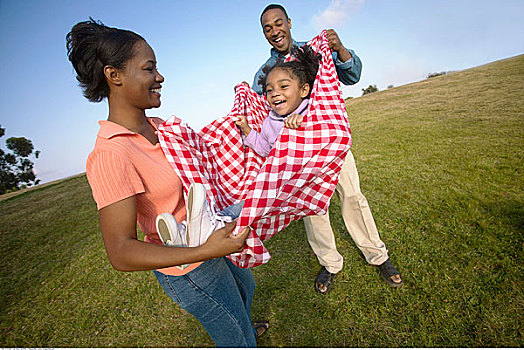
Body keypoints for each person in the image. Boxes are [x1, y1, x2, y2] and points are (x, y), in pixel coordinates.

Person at [66, 18, 268, 346]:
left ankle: (240, 324)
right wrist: (203, 250)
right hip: (189, 270)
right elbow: (120, 252)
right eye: (149, 68)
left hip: (210, 237)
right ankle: (240, 334)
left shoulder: (161, 127)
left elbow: (201, 163)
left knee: (247, 287)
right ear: (113, 76)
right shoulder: (111, 153)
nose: (159, 77)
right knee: (235, 336)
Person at [253, 4, 403, 293]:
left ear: (289, 23)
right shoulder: (265, 73)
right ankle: (330, 262)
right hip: (298, 153)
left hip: (332, 143)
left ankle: (377, 254)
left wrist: (341, 48)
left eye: (278, 23)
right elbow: (265, 112)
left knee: (352, 196)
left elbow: (352, 75)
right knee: (313, 208)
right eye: (267, 28)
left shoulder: (315, 51)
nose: (274, 31)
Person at [236, 45, 321, 156]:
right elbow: (264, 148)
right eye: (269, 90)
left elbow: (328, 129)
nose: (274, 93)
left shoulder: (314, 109)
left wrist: (305, 122)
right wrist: (246, 128)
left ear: (304, 90)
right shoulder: (269, 123)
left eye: (283, 86)